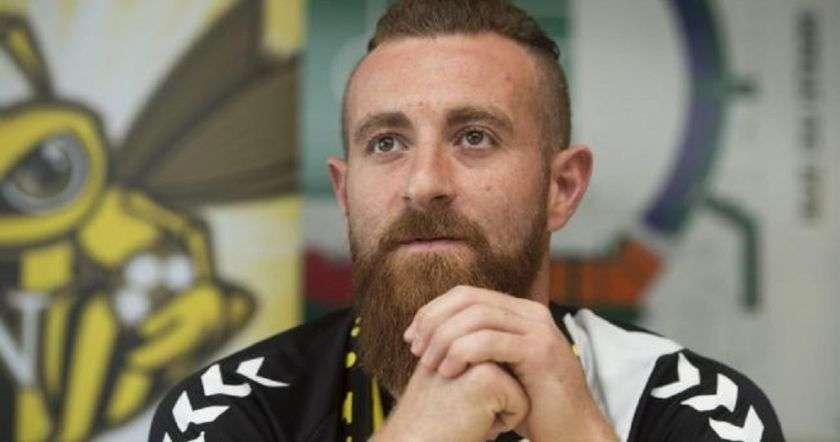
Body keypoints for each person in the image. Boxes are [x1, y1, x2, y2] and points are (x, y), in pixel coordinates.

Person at [149, 1, 784, 440]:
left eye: (474, 136)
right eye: (386, 143)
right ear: (344, 192)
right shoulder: (238, 409)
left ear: (562, 188)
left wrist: (577, 433)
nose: (424, 184)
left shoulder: (688, 405)